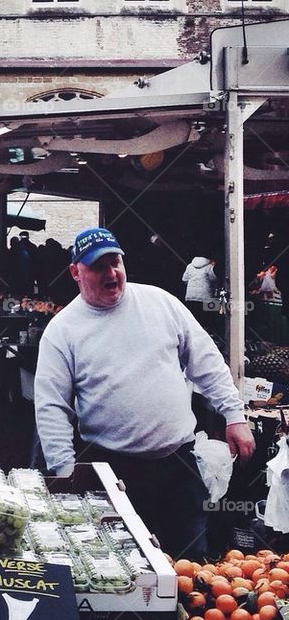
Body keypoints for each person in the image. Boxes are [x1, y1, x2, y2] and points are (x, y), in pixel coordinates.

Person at [34, 227, 255, 559]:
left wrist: (234, 415)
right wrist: (66, 472)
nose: (111, 273)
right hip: (110, 471)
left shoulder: (161, 303)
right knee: (122, 564)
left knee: (190, 565)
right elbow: (52, 407)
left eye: (115, 263)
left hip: (178, 466)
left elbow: (207, 361)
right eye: (98, 267)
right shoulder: (62, 330)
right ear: (75, 273)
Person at [182, 254, 218, 330]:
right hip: (204, 297)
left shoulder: (189, 266)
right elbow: (213, 279)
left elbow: (184, 279)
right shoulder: (209, 266)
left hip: (190, 296)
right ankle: (206, 331)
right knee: (205, 318)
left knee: (194, 317)